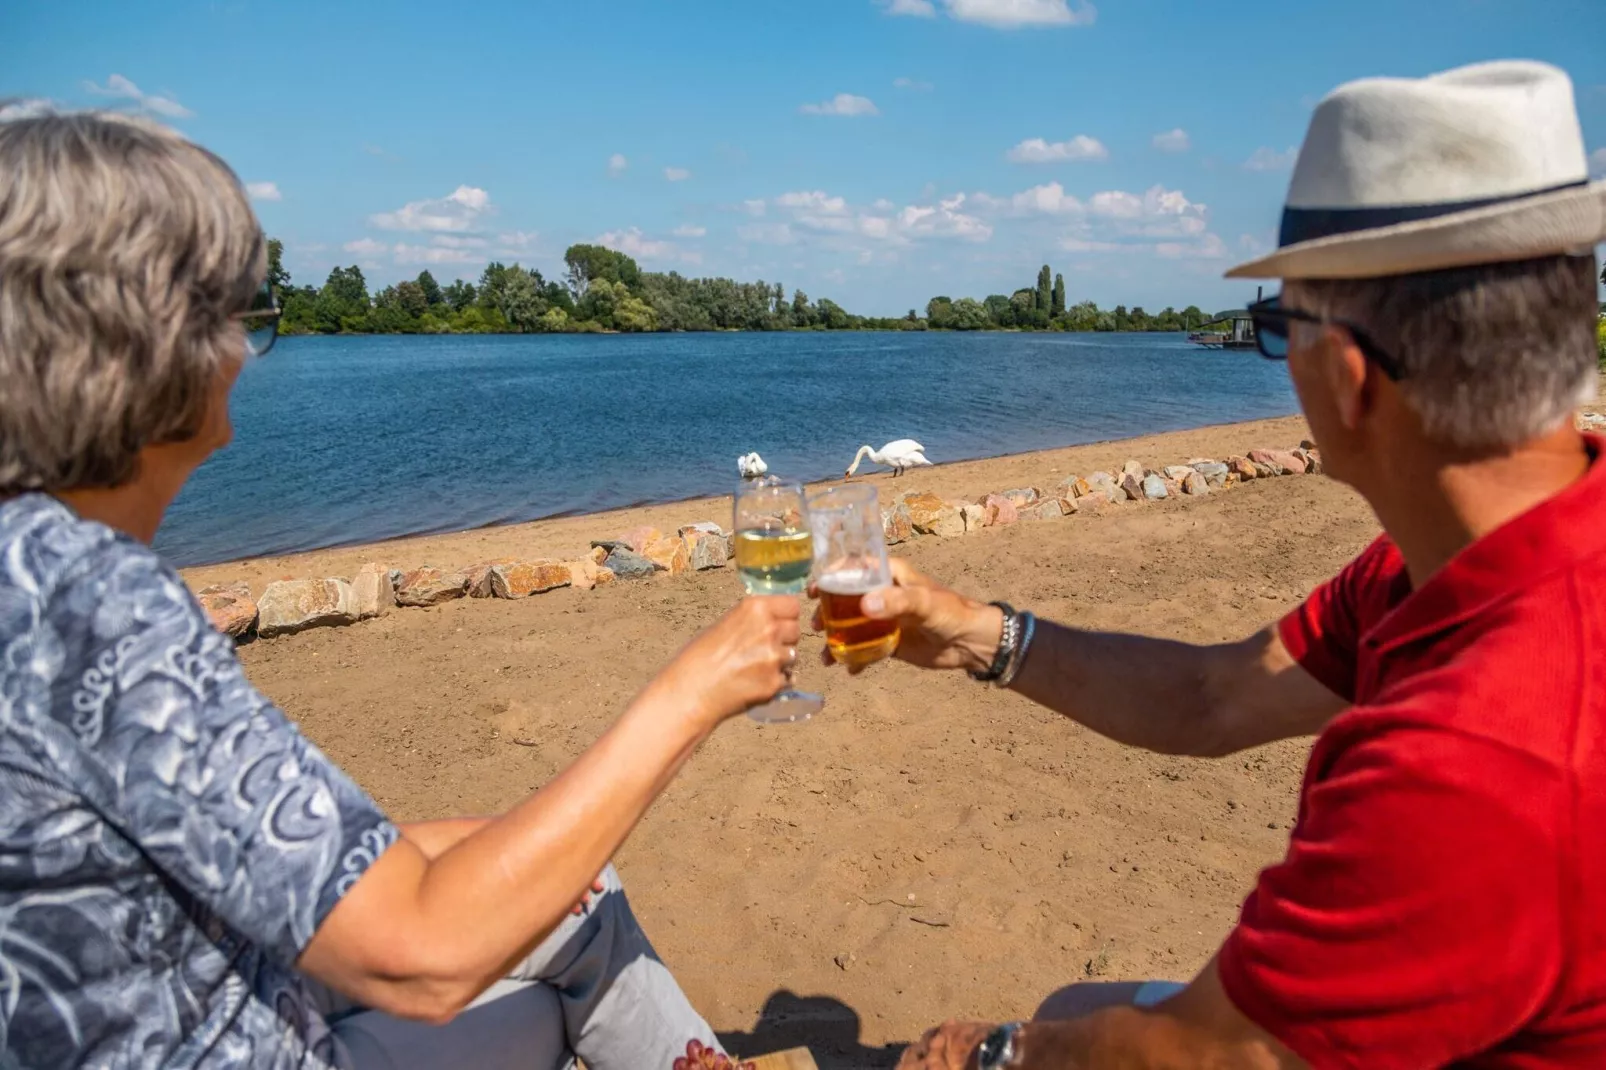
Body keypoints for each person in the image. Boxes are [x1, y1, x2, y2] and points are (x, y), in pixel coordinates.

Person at [0, 110, 801, 1070]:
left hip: (174, 980)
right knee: (553, 941)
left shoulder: (30, 570)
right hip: (212, 1037)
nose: (239, 353)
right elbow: (424, 962)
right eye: (231, 318)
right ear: (142, 346)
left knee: (576, 894)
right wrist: (694, 690)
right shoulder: (92, 610)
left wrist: (458, 848)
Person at [865, 60, 1606, 1069]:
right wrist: (972, 632)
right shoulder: (1443, 568)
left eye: (1274, 327)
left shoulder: (1481, 754)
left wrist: (986, 1053)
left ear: (1347, 379)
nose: (1278, 356)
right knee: (1081, 994)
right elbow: (1213, 696)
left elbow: (1204, 1056)